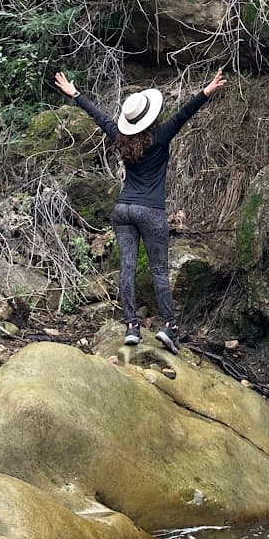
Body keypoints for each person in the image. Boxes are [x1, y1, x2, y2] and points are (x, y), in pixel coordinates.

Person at [52, 68, 226, 350]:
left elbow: (100, 117)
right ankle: (170, 328)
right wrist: (207, 91)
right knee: (159, 270)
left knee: (127, 268)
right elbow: (185, 113)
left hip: (123, 210)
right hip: (150, 211)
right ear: (151, 116)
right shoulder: (161, 136)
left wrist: (76, 94)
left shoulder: (119, 136)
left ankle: (131, 327)